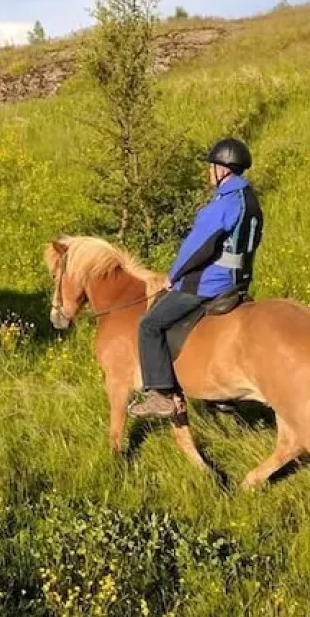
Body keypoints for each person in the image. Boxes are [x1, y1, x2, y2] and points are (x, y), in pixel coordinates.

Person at [129, 137, 263, 419]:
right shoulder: (250, 199)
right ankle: (221, 394)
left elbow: (199, 246)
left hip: (209, 283)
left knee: (150, 325)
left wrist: (173, 275)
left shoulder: (224, 204)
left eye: (211, 167)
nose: (208, 172)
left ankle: (160, 394)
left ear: (223, 169)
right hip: (239, 282)